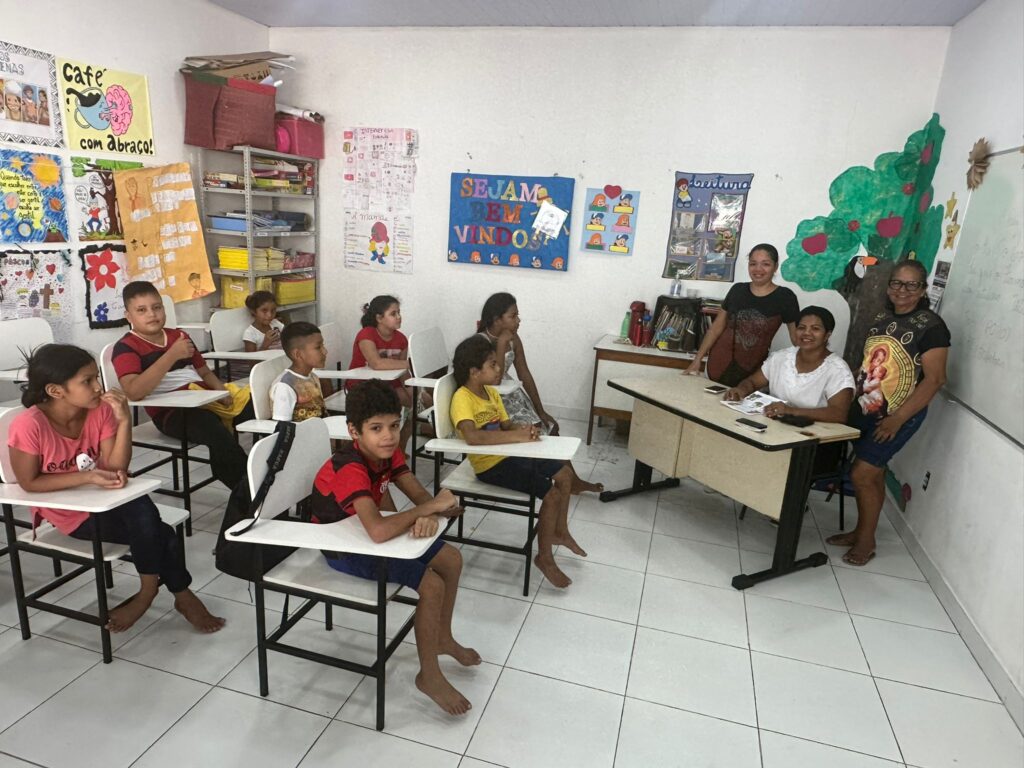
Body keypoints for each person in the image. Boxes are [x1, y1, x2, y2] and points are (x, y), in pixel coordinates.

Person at [7, 344, 224, 633]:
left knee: (142, 511)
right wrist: (88, 478)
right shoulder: (29, 425)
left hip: (104, 499)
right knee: (161, 532)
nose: (99, 387)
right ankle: (173, 595)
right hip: (71, 514)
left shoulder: (98, 411)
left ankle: (151, 594)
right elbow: (29, 482)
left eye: (97, 377)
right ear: (56, 391)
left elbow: (115, 469)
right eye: (87, 381)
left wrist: (123, 421)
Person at [312, 380, 477, 715]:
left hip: (368, 529)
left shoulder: (388, 453)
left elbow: (422, 499)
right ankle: (429, 676)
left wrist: (433, 510)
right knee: (431, 584)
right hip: (342, 546)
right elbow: (378, 531)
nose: (388, 436)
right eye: (376, 428)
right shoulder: (351, 466)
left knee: (451, 559)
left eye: (394, 425)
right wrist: (425, 511)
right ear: (353, 431)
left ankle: (442, 638)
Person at [828, 260, 950, 566]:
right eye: (897, 283)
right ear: (889, 286)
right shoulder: (881, 318)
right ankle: (860, 531)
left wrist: (897, 419)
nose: (903, 291)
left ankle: (866, 541)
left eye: (911, 285)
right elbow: (869, 365)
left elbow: (935, 380)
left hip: (898, 415)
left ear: (923, 289)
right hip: (866, 408)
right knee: (873, 475)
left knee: (862, 474)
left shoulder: (933, 327)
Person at [450, 335, 585, 589]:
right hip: (490, 466)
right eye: (492, 364)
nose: (499, 368)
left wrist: (523, 429)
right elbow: (472, 436)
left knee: (565, 475)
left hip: (509, 453)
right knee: (551, 495)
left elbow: (506, 425)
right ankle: (544, 558)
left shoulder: (490, 393)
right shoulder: (462, 398)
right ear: (474, 372)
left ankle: (560, 531)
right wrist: (515, 436)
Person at [113, 281, 254, 492]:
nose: (151, 314)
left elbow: (204, 372)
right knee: (215, 431)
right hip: (171, 413)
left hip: (206, 399)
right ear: (128, 316)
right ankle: (249, 493)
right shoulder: (125, 347)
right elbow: (134, 391)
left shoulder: (179, 336)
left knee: (259, 409)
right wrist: (171, 355)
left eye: (156, 307)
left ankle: (276, 474)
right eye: (141, 310)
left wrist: (222, 392)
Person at [476, 293, 602, 494]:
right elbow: (494, 382)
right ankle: (549, 476)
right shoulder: (480, 342)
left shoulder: (513, 338)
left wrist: (540, 409)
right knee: (537, 431)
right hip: (491, 401)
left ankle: (571, 480)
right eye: (513, 316)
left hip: (512, 396)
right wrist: (500, 345)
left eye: (518, 316)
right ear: (497, 319)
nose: (518, 321)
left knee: (549, 426)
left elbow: (524, 372)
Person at [725, 306, 855, 475]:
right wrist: (740, 390)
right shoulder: (782, 357)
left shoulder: (837, 369)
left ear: (827, 335)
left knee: (769, 465)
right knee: (738, 443)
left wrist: (790, 410)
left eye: (815, 329)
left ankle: (780, 499)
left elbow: (839, 414)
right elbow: (752, 381)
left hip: (814, 443)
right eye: (802, 328)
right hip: (773, 432)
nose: (806, 333)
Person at [685, 243, 800, 386]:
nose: (758, 269)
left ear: (775, 267)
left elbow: (797, 338)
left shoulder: (785, 297)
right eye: (753, 264)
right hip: (718, 363)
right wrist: (697, 360)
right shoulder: (737, 290)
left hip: (753, 370)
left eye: (765, 264)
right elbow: (715, 329)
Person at [348, 295, 412, 448]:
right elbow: (376, 363)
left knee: (419, 403)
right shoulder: (366, 334)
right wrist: (412, 363)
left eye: (399, 312)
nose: (399, 317)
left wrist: (411, 388)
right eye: (393, 313)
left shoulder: (402, 339)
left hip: (389, 385)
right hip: (363, 386)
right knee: (395, 405)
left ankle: (400, 448)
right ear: (379, 318)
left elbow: (403, 371)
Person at [271, 321, 327, 422]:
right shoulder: (285, 385)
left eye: (323, 345)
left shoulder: (313, 376)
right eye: (318, 347)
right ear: (297, 354)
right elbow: (282, 427)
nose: (325, 351)